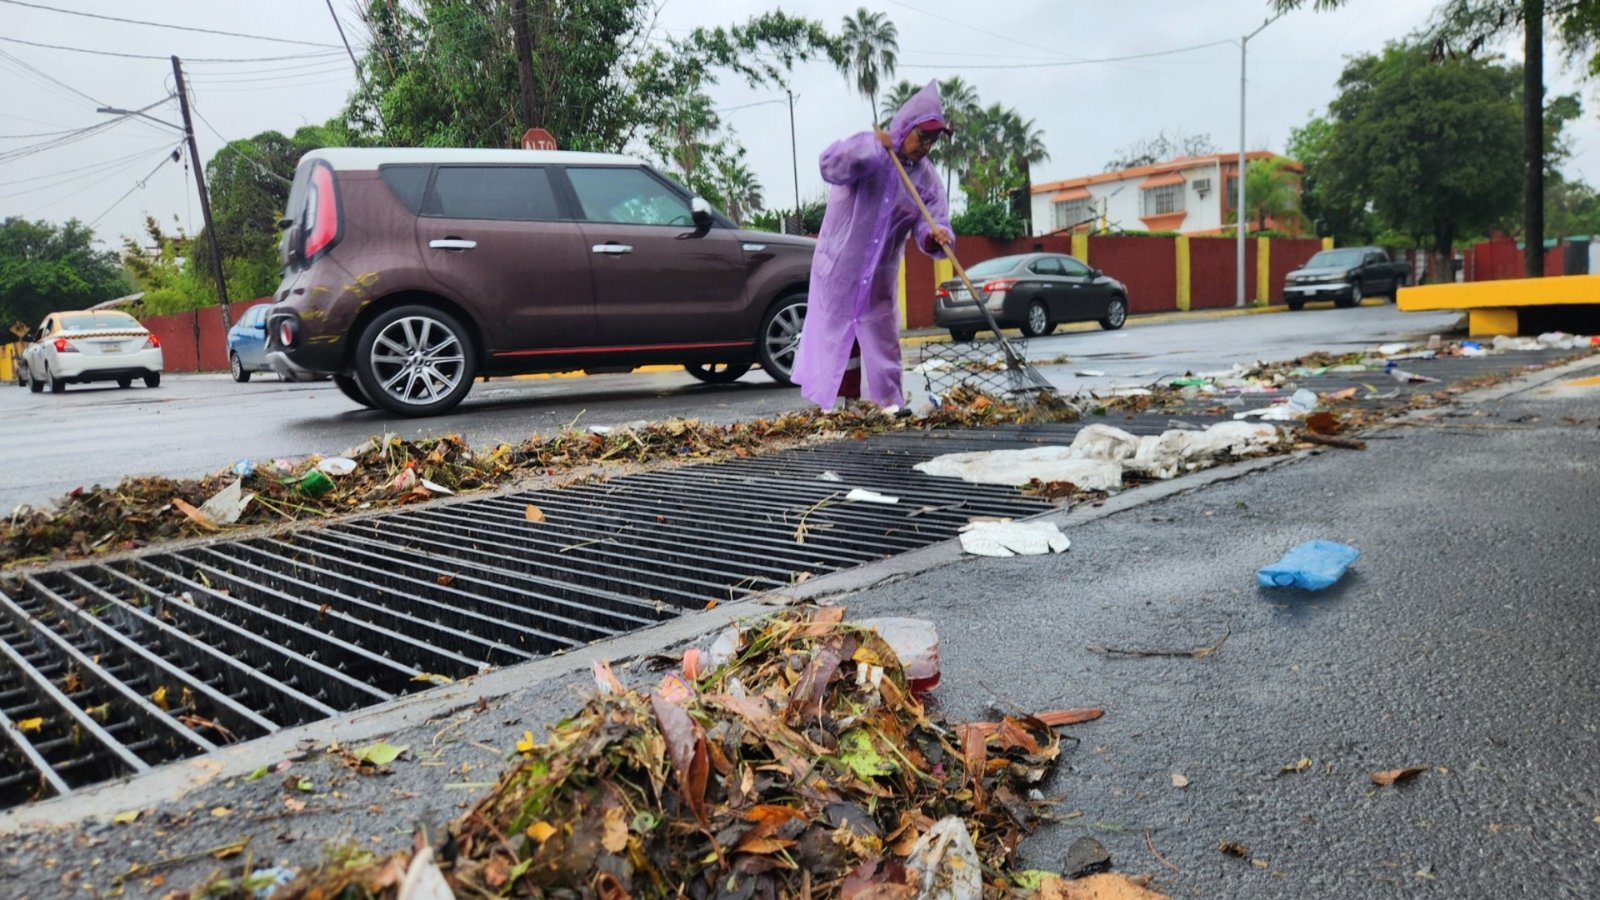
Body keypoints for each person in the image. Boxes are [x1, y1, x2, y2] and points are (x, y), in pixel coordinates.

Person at [792, 80, 953, 411]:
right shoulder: (874, 155)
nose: (926, 146)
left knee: (883, 339)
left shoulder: (926, 179)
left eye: (933, 141)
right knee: (840, 340)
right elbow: (830, 166)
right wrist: (871, 148)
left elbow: (932, 220)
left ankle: (888, 404)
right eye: (922, 136)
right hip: (841, 267)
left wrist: (936, 234)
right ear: (905, 128)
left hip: (880, 275)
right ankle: (844, 404)